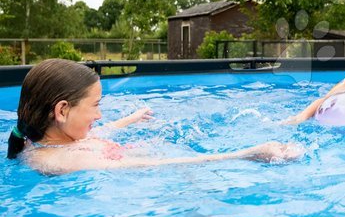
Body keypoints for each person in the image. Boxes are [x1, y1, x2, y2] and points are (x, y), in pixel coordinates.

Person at [7, 59, 301, 174]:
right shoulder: (61, 160)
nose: (99, 114)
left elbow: (103, 130)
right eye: (95, 105)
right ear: (61, 110)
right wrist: (246, 154)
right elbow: (157, 163)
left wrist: (131, 119)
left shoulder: (55, 141)